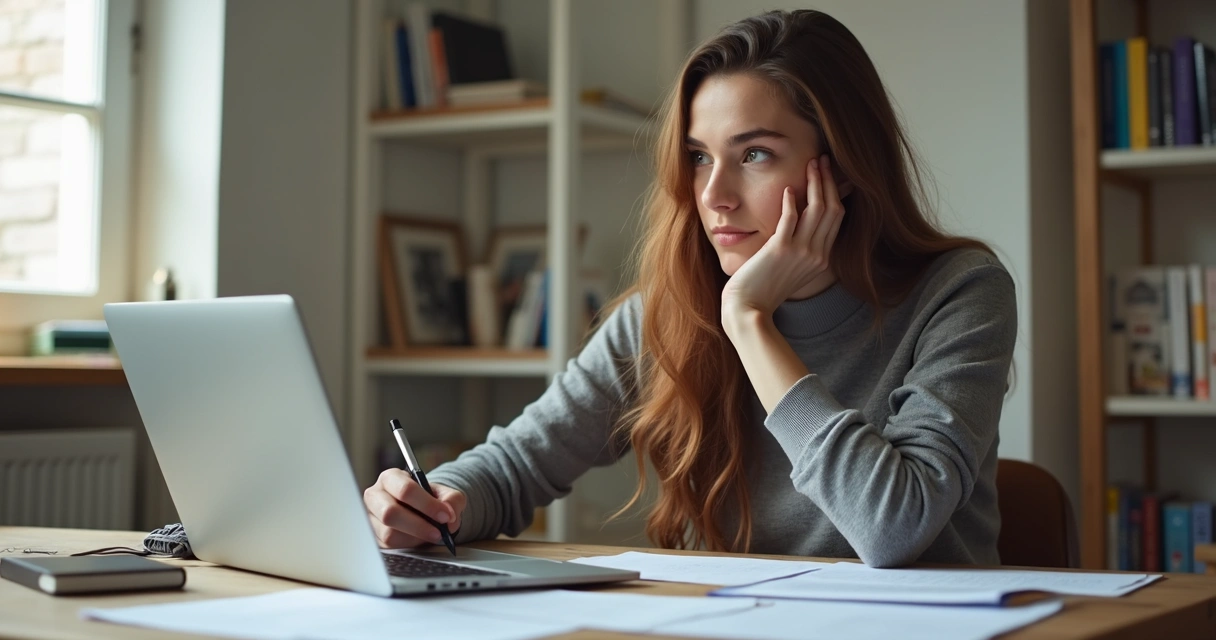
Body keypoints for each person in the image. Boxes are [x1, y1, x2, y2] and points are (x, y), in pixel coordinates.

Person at [362, 9, 1016, 568]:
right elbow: (513, 468)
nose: (713, 195)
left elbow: (892, 528)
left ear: (841, 167)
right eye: (700, 155)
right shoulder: (665, 316)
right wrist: (429, 502)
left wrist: (750, 322)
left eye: (754, 154)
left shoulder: (959, 295)